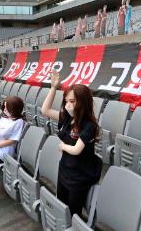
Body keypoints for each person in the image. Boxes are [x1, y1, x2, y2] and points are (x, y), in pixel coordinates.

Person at [41, 71, 102, 218]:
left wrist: (62, 146)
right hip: (65, 169)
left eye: (72, 102)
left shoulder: (89, 125)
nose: (68, 105)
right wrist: (53, 88)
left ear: (83, 102)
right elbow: (45, 110)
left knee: (74, 213)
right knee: (61, 207)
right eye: (66, 101)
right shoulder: (67, 118)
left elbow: (76, 150)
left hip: (80, 175)